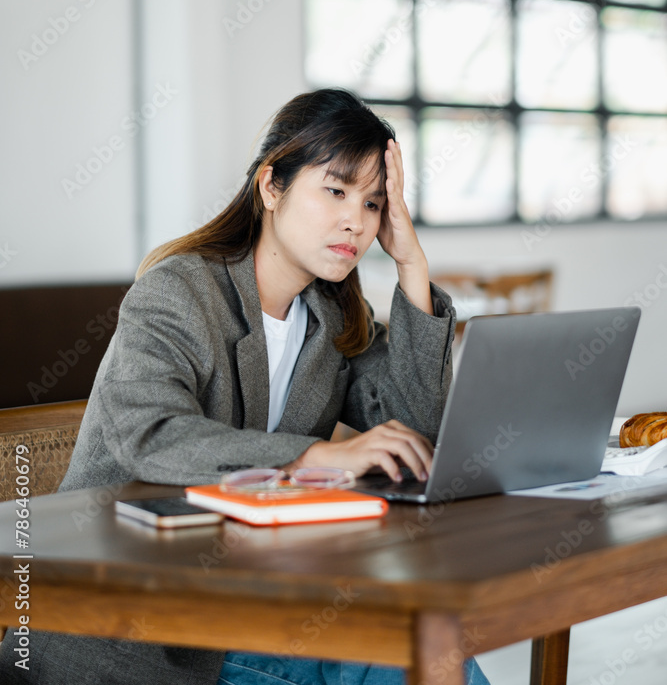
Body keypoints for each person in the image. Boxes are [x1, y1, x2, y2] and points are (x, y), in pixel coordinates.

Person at [0, 88, 490, 685]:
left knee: (435, 646)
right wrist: (316, 455)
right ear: (271, 187)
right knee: (412, 656)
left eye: (373, 204)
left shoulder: (332, 316)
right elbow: (151, 435)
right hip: (136, 627)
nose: (355, 222)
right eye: (335, 191)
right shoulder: (177, 292)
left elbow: (418, 425)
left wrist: (412, 265)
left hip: (254, 598)